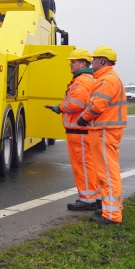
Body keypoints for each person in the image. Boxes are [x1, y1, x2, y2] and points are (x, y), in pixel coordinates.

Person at [77, 45, 127, 224]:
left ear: (102, 61)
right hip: (105, 130)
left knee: (107, 173)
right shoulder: (109, 78)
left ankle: (112, 215)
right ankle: (110, 209)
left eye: (94, 59)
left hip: (104, 130)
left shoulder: (107, 80)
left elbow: (97, 105)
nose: (91, 63)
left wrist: (83, 118)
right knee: (106, 172)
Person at [48, 48, 97, 212]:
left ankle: (87, 200)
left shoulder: (82, 81)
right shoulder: (88, 79)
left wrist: (59, 107)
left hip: (79, 132)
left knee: (82, 166)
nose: (70, 64)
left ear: (83, 63)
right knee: (87, 165)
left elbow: (76, 103)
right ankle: (91, 197)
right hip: (82, 131)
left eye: (73, 62)